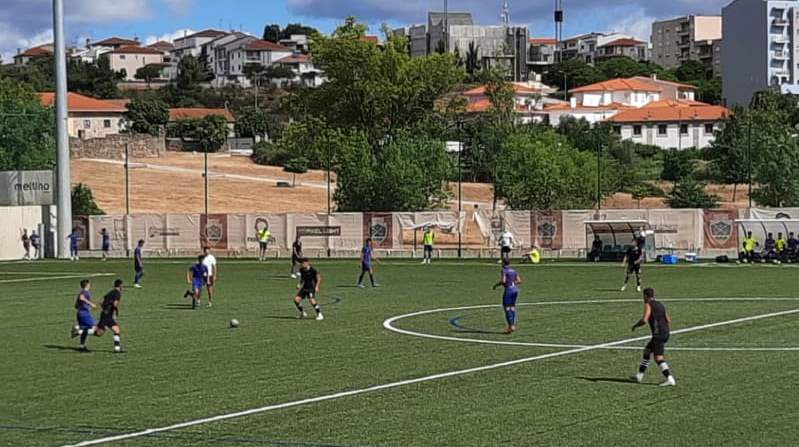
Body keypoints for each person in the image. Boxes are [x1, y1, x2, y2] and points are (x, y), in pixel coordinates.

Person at [631, 288, 676, 387]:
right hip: (664, 333)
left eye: (643, 296)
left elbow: (644, 320)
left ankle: (670, 379)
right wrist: (666, 331)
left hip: (658, 335)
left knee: (658, 358)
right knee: (647, 351)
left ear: (646, 296)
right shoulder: (660, 304)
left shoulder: (648, 304)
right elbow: (668, 319)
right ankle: (639, 376)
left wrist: (635, 325)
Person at [493, 259, 522, 334]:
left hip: (508, 290)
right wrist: (512, 282)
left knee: (507, 308)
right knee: (512, 307)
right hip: (515, 290)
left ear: (503, 263)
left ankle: (511, 326)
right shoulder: (514, 270)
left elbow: (503, 281)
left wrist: (496, 285)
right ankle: (512, 325)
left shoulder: (504, 270)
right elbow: (519, 281)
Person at [95, 279, 124, 353]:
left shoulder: (110, 292)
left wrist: (105, 309)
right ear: (120, 285)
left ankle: (117, 349)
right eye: (122, 285)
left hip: (107, 314)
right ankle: (80, 331)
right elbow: (115, 304)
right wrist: (115, 310)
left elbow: (101, 302)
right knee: (99, 333)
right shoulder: (117, 293)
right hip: (107, 315)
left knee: (117, 330)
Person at [70, 279, 97, 351]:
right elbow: (81, 298)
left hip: (80, 313)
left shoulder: (81, 292)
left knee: (85, 329)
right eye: (89, 284)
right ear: (87, 284)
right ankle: (77, 331)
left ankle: (82, 346)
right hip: (84, 313)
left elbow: (76, 305)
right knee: (94, 328)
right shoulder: (85, 292)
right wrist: (90, 304)